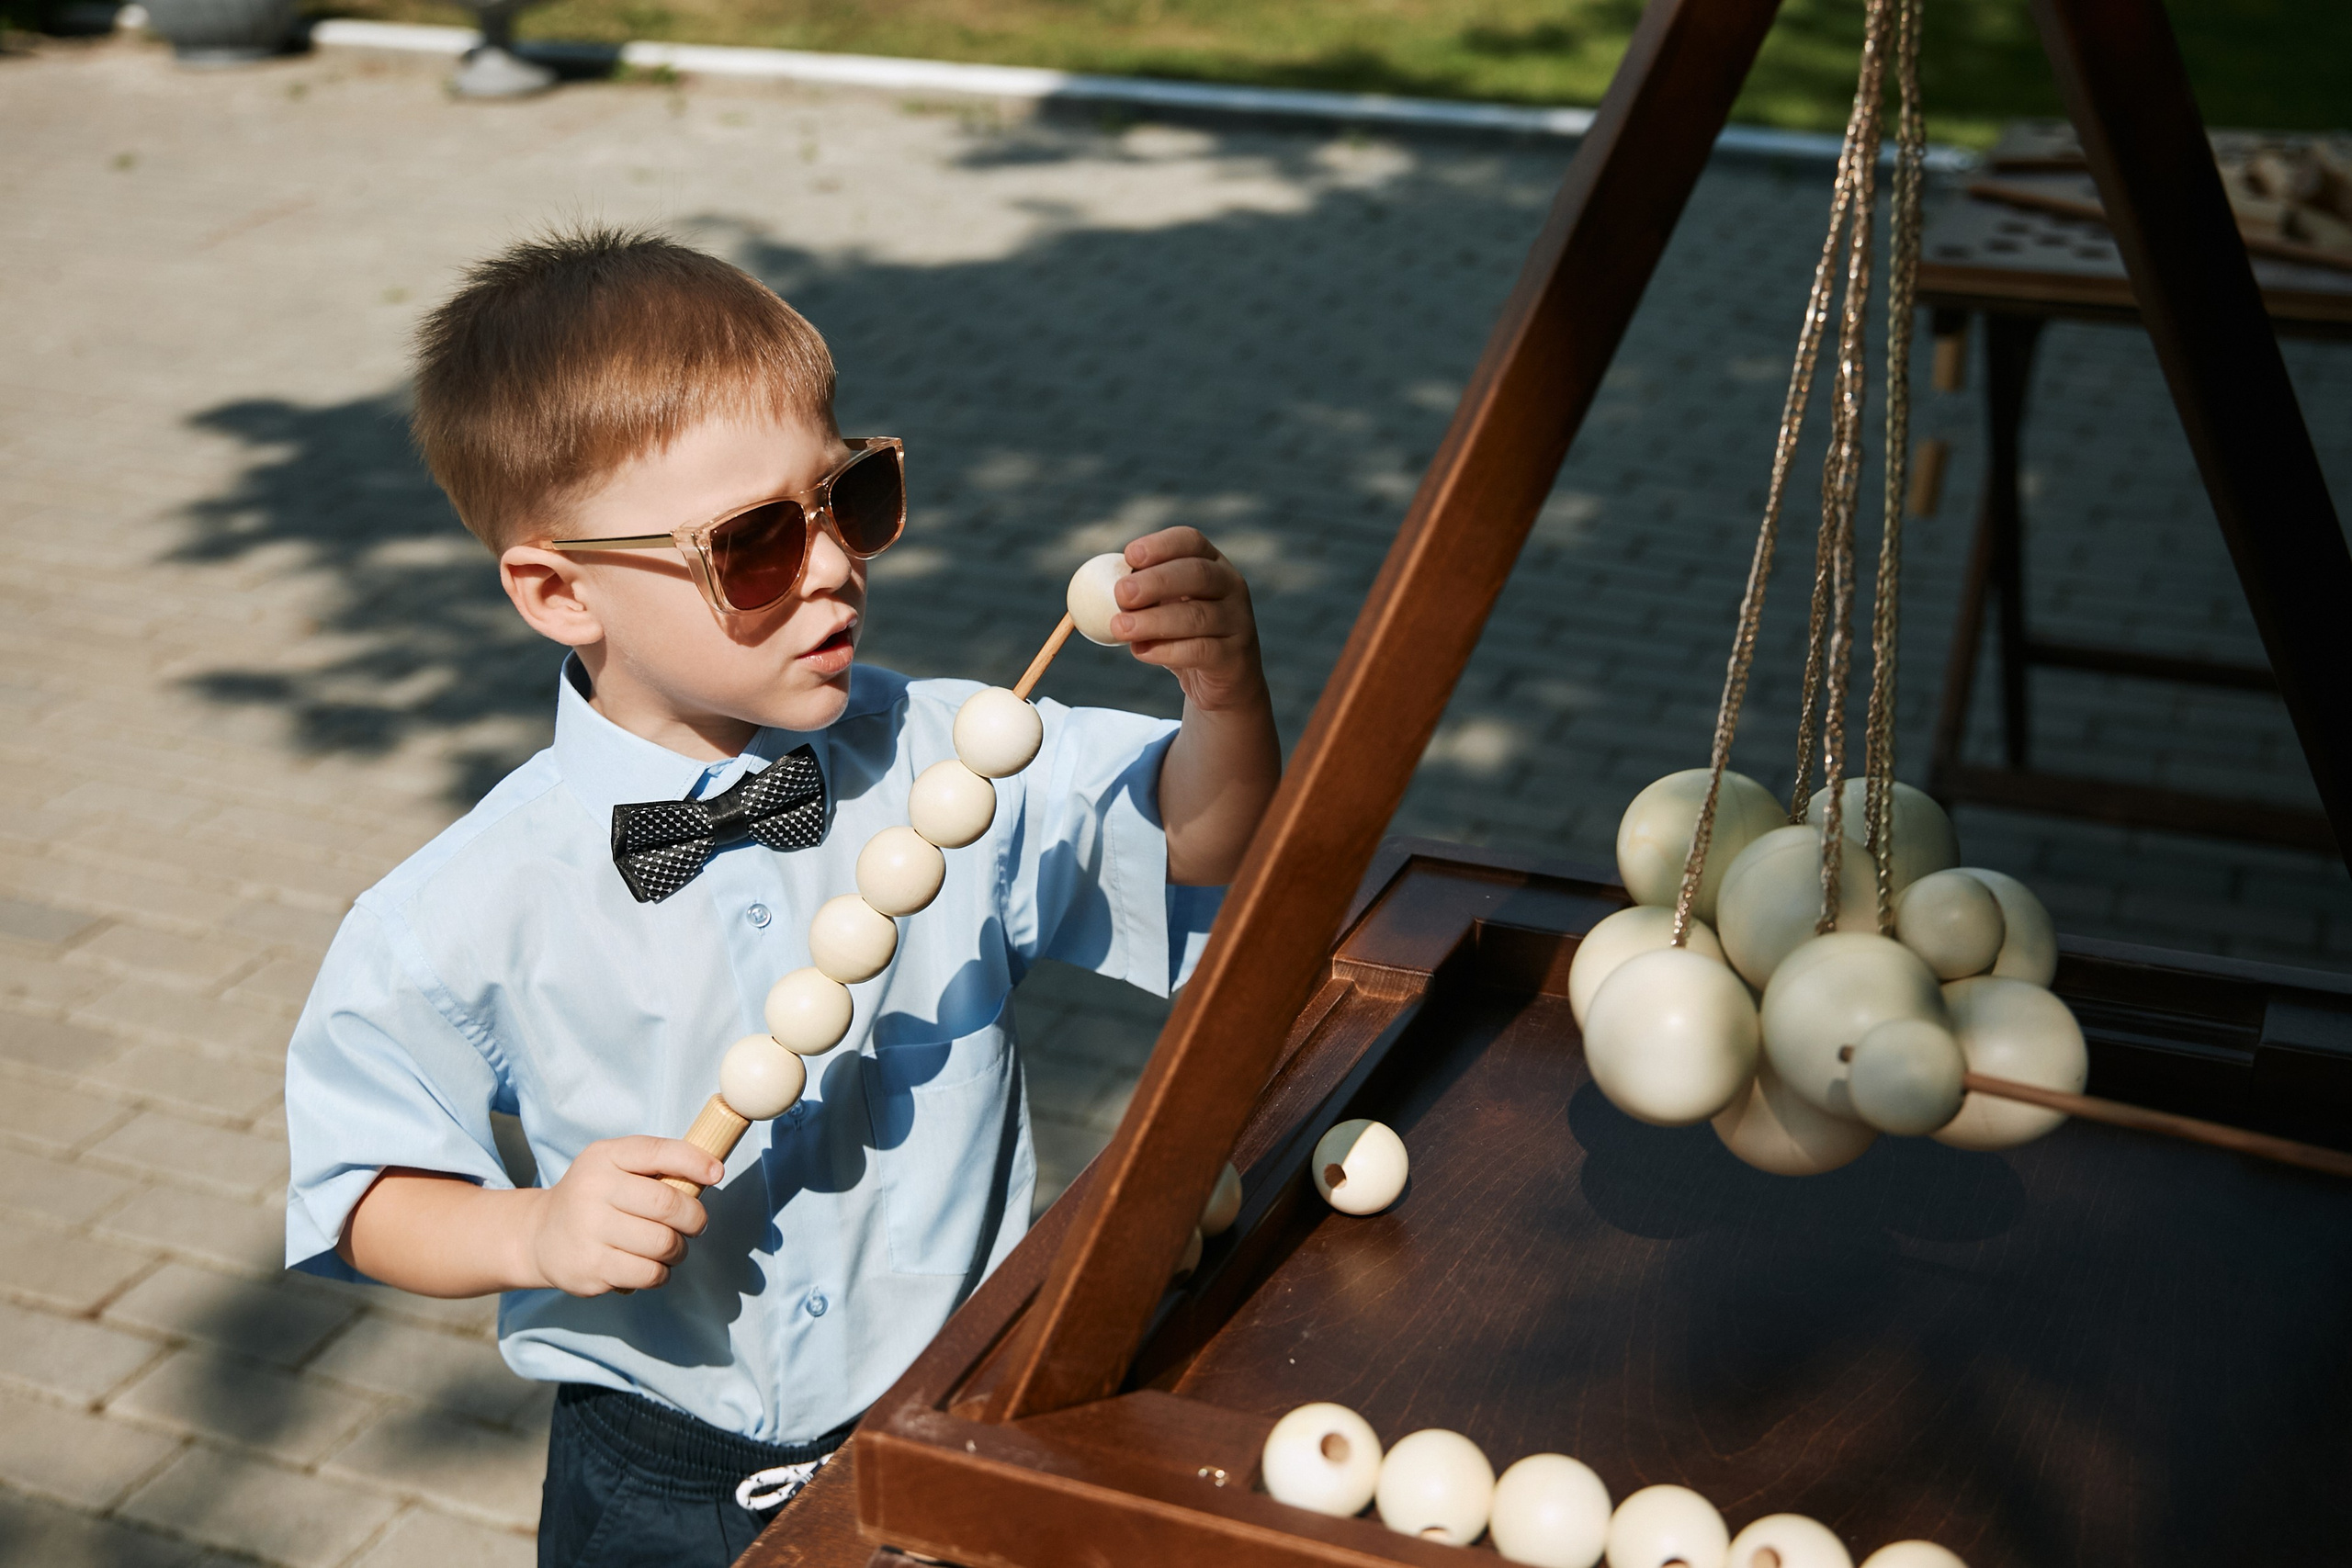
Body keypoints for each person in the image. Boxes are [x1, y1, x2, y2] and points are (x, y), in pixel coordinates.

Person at [281, 227, 1281, 1567]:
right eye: (750, 546)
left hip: (967, 1410)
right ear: (560, 589)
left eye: (846, 496)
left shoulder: (956, 757)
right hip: (659, 1486)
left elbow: (1199, 847)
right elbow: (360, 1186)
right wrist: (532, 1226)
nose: (830, 566)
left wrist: (1226, 696)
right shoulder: (463, 903)